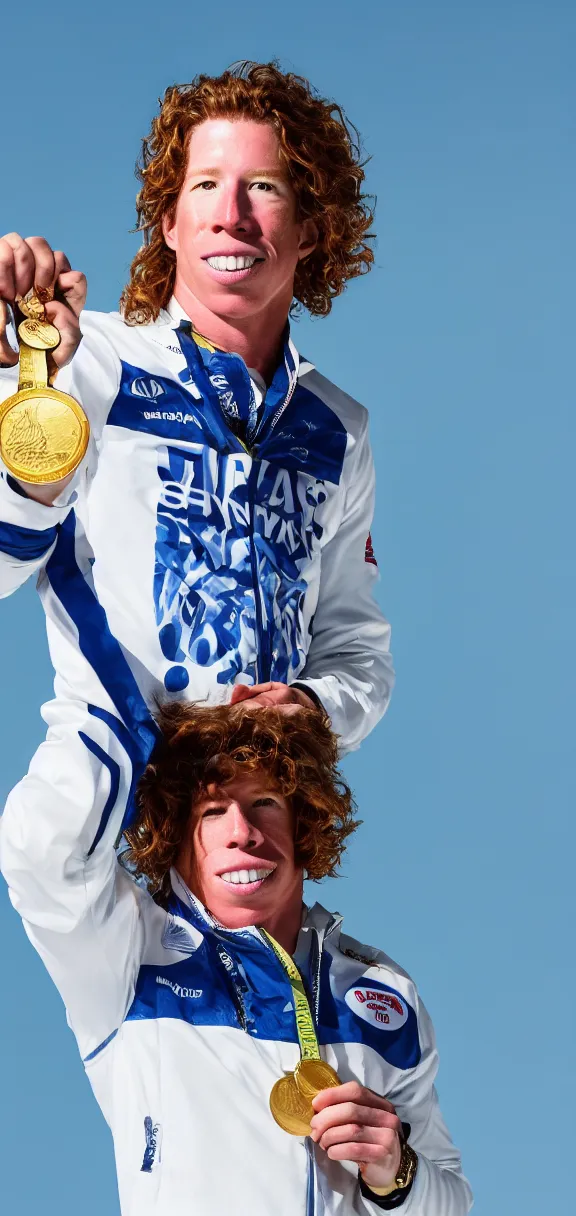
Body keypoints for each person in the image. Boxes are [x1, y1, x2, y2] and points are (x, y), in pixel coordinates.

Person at [0, 63, 393, 822]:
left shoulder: (339, 427)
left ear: (312, 229)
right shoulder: (91, 357)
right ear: (169, 223)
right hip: (108, 790)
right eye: (205, 185)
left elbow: (356, 648)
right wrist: (34, 393)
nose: (232, 214)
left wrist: (312, 709)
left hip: (249, 805)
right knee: (39, 847)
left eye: (266, 187)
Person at [0, 702, 472, 1215]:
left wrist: (395, 1174)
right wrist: (116, 709)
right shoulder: (129, 951)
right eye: (212, 812)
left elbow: (449, 1201)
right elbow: (39, 853)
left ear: (303, 825)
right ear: (176, 837)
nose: (242, 831)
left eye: (265, 801)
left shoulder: (383, 995)